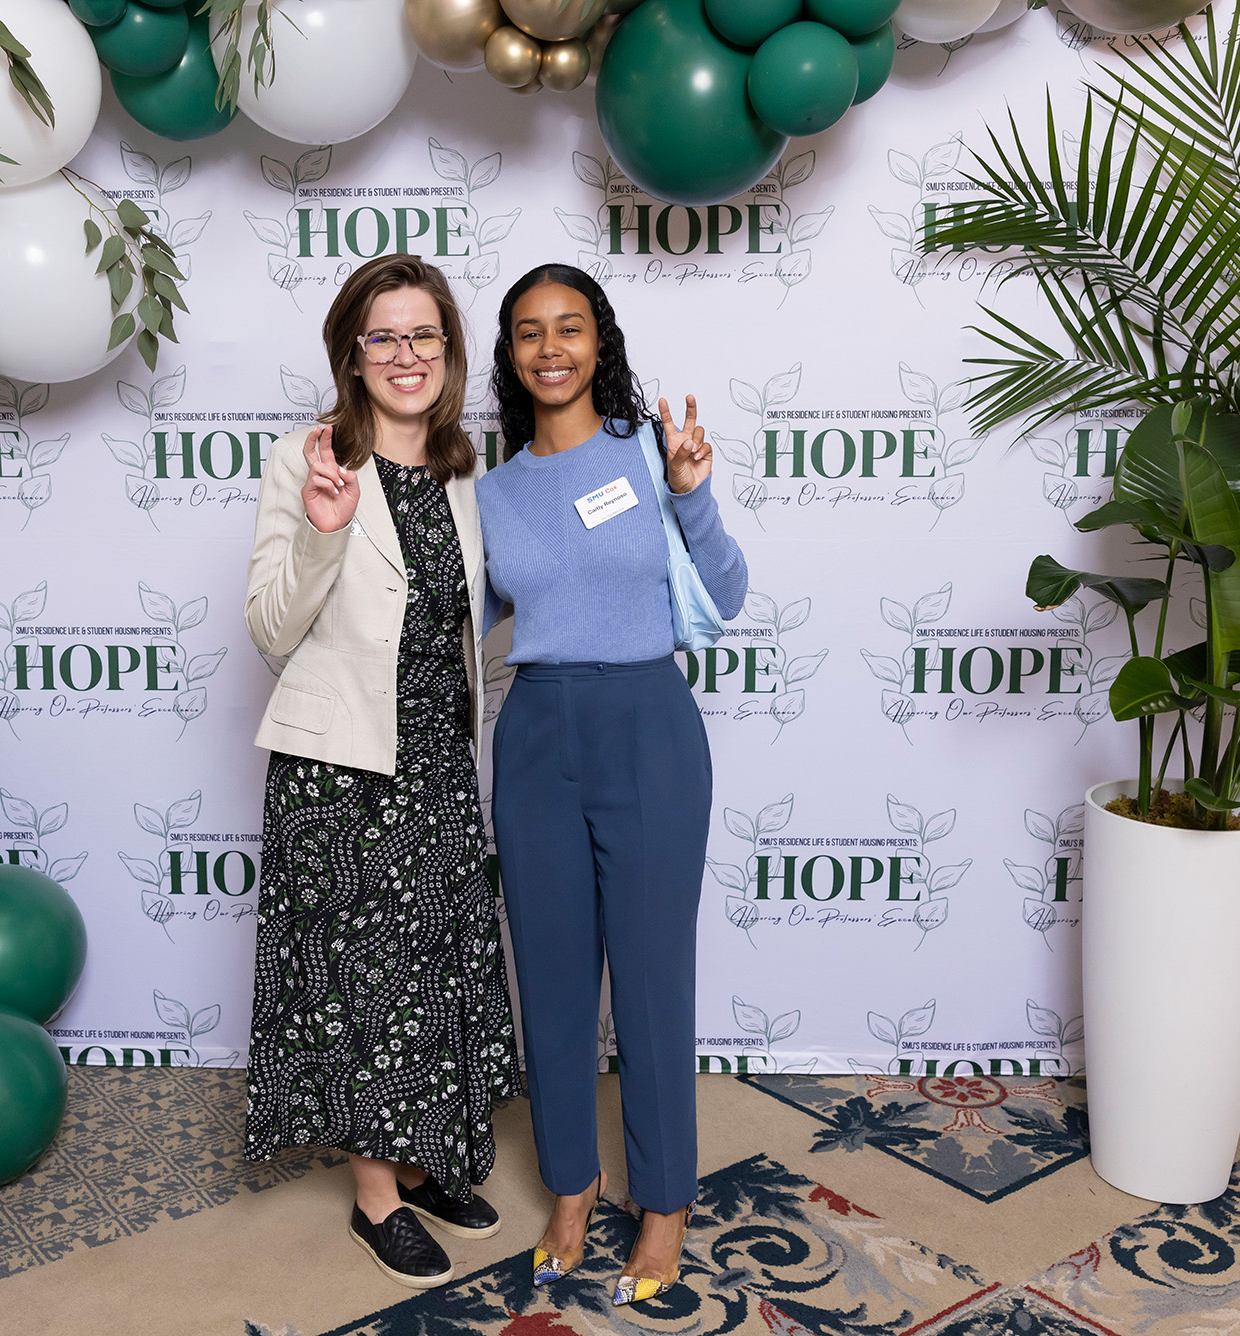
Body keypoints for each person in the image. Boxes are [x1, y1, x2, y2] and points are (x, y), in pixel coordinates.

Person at [242, 253, 520, 1291]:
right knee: (363, 984)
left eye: (424, 335)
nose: (406, 355)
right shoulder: (308, 458)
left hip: (439, 763)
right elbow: (269, 628)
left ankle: (419, 1161)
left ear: (448, 351)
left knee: (435, 970)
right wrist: (323, 533)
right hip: (341, 772)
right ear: (351, 356)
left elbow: (471, 620)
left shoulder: (464, 469)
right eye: (383, 337)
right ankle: (375, 1199)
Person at [476, 263, 748, 1307]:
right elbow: (457, 626)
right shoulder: (491, 493)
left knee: (649, 979)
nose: (550, 348)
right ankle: (572, 1188)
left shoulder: (648, 453)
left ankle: (664, 1201)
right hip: (535, 731)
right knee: (547, 981)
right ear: (508, 355)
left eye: (570, 327)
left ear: (600, 344)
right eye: (529, 331)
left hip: (647, 726)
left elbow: (725, 592)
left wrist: (691, 495)